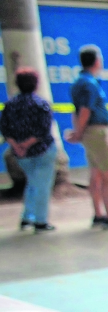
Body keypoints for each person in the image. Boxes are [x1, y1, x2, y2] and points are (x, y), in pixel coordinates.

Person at [66, 45, 108, 229]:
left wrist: (78, 131)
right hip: (98, 132)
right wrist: (78, 132)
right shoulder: (89, 84)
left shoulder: (79, 82)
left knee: (96, 173)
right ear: (96, 61)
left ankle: (98, 213)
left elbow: (76, 111)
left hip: (90, 132)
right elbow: (85, 109)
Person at [1, 67, 57, 232]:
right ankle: (40, 221)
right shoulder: (41, 104)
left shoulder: (9, 105)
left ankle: (27, 217)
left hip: (20, 154)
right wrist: (27, 143)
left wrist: (17, 145)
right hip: (43, 151)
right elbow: (43, 130)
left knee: (32, 183)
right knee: (42, 186)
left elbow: (4, 129)